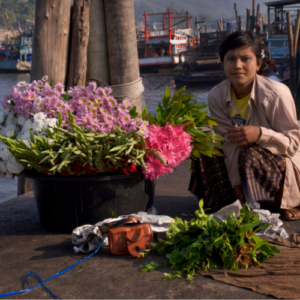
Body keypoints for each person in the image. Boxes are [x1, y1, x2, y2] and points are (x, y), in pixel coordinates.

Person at [189, 31, 300, 220]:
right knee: (204, 147)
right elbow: (228, 143)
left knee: (250, 151)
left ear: (258, 63)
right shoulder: (216, 95)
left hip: (281, 165)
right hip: (241, 164)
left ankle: (288, 199)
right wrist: (235, 183)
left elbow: (293, 144)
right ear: (222, 62)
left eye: (245, 59)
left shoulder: (277, 93)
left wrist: (261, 134)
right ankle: (231, 201)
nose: (237, 65)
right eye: (230, 59)